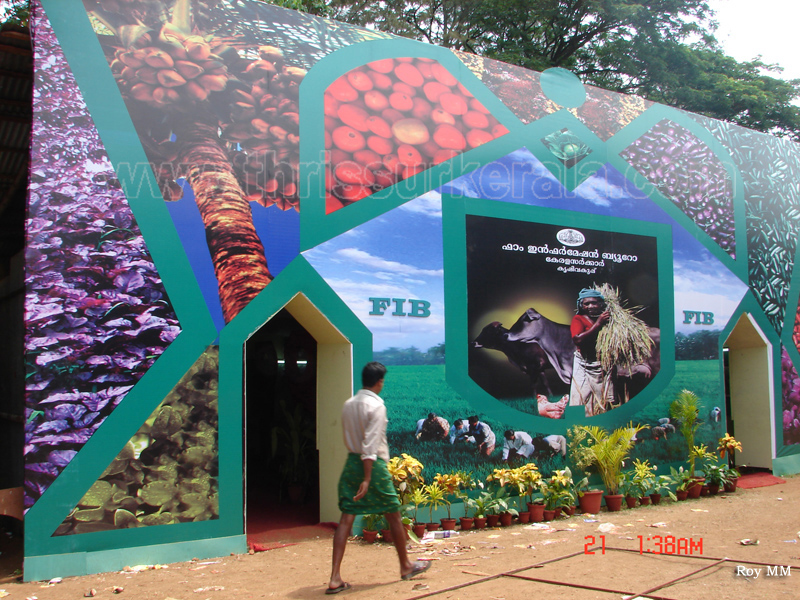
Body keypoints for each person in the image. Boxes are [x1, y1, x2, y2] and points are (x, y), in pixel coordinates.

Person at [327, 362, 431, 594]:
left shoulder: (348, 404)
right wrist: (367, 478)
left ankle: (335, 578)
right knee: (393, 514)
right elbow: (370, 445)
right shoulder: (377, 406)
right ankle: (405, 565)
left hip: (351, 463)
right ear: (379, 382)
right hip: (371, 467)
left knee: (346, 518)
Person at [569, 288, 614, 417]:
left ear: (601, 304)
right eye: (586, 304)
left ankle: (598, 421)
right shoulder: (579, 319)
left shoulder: (608, 319)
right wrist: (598, 324)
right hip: (584, 363)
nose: (590, 306)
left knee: (601, 396)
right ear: (581, 306)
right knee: (580, 395)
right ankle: (576, 424)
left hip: (602, 363)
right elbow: (577, 339)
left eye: (594, 303)